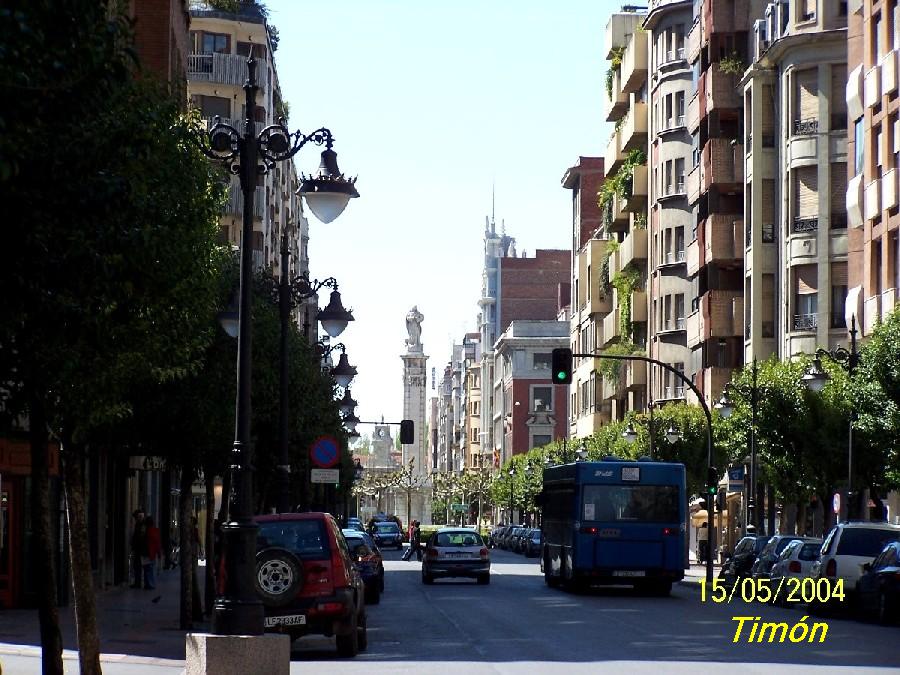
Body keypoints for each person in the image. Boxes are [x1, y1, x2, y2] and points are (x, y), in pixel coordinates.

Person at [142, 516, 162, 590]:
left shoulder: (146, 531)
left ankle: (149, 584)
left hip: (146, 552)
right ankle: (149, 584)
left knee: (147, 569)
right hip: (150, 553)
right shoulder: (154, 531)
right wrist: (159, 553)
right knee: (149, 569)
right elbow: (157, 543)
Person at [130, 509, 146, 588]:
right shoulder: (139, 524)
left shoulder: (141, 525)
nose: (135, 519)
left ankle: (138, 583)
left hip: (139, 549)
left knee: (137, 566)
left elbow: (139, 537)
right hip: (138, 548)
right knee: (137, 566)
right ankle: (137, 582)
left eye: (136, 517)